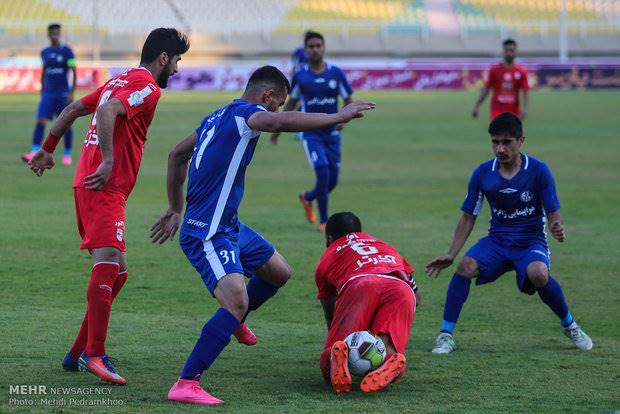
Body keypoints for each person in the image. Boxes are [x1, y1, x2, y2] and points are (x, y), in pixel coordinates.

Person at [149, 65, 374, 405]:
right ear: (267, 97)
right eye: (278, 103)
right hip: (207, 231)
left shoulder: (217, 115)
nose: (277, 109)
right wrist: (336, 116)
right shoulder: (248, 114)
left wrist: (174, 207)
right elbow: (276, 122)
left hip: (229, 225)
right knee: (237, 300)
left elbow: (176, 154)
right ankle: (186, 382)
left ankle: (234, 321)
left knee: (278, 271)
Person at [27, 28, 190, 384]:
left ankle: (76, 352)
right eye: (176, 60)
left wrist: (48, 148)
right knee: (107, 265)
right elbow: (109, 113)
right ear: (163, 58)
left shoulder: (119, 80)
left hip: (91, 185)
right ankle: (95, 354)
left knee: (118, 272)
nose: (177, 69)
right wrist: (108, 160)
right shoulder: (147, 87)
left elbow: (72, 109)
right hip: (104, 186)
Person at [426, 112, 593, 354]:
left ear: (521, 141)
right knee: (465, 267)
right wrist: (451, 254)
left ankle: (570, 325)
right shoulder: (483, 173)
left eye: (507, 142)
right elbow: (468, 216)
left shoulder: (539, 171)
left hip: (530, 241)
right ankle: (445, 335)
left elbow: (553, 211)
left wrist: (557, 226)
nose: (500, 149)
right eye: (495, 142)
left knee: (538, 274)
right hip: (498, 241)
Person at [315, 212, 419, 394]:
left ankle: (337, 358)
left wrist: (338, 335)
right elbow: (416, 296)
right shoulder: (383, 245)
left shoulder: (329, 254)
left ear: (329, 237)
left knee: (328, 360)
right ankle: (389, 362)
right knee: (388, 352)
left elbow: (330, 309)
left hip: (361, 283)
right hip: (401, 288)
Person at [270, 31, 353, 232]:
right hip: (311, 132)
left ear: (323, 48)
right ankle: (324, 221)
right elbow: (292, 102)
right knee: (323, 173)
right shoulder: (301, 76)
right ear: (306, 50)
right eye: (311, 46)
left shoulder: (336, 73)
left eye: (318, 45)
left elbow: (348, 98)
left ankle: (308, 197)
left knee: (332, 181)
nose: (315, 49)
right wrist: (276, 128)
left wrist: (345, 119)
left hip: (332, 133)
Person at [22, 23, 77, 166]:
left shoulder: (67, 51)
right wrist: (42, 90)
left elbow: (73, 70)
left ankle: (67, 154)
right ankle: (34, 151)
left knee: (65, 124)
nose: (55, 35)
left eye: (57, 33)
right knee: (41, 120)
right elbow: (44, 70)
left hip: (63, 94)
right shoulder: (44, 52)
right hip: (48, 93)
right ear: (48, 35)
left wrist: (71, 92)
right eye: (52, 33)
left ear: (60, 34)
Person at [472, 39, 530, 120]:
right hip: (496, 113)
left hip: (514, 113)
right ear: (503, 51)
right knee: (497, 132)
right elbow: (486, 89)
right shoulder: (494, 70)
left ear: (516, 52)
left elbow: (526, 91)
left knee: (515, 133)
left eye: (512, 50)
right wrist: (477, 106)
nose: (509, 53)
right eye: (507, 50)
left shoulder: (521, 71)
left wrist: (525, 109)